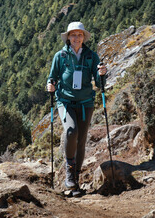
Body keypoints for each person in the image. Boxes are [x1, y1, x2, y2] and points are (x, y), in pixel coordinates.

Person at [46, 22, 107, 195]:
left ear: (83, 37)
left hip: (85, 102)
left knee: (81, 140)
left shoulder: (91, 56)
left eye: (79, 35)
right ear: (68, 37)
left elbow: (98, 79)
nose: (76, 38)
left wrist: (102, 73)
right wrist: (50, 85)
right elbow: (52, 77)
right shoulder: (60, 56)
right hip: (65, 101)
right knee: (71, 131)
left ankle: (75, 181)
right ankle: (69, 174)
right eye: (73, 34)